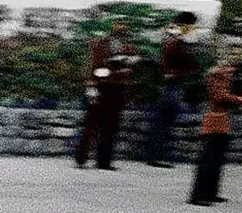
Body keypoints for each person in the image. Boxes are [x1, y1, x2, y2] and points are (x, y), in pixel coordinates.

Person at [189, 46, 242, 206]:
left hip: (222, 119)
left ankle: (211, 192)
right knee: (209, 158)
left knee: (217, 158)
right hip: (215, 119)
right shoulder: (218, 73)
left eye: (238, 54)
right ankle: (199, 195)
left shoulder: (230, 73)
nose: (236, 57)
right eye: (232, 54)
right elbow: (219, 96)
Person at [74, 19, 141, 170]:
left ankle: (103, 161)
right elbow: (95, 67)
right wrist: (93, 85)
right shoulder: (100, 44)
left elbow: (132, 68)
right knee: (92, 125)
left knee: (109, 127)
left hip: (116, 89)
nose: (123, 30)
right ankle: (82, 158)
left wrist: (124, 72)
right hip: (102, 87)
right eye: (120, 27)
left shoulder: (128, 48)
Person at [144, 11, 201, 168]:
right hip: (172, 85)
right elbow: (184, 62)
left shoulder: (173, 38)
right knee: (164, 122)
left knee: (163, 122)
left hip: (173, 84)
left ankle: (154, 155)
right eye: (192, 25)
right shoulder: (177, 41)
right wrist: (184, 72)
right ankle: (154, 156)